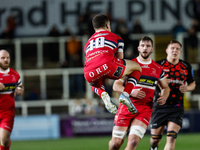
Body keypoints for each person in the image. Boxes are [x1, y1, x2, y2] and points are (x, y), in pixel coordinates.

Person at [109, 36, 170, 150]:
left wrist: (165, 96)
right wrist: (131, 92)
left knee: (132, 143)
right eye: (142, 46)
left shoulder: (157, 68)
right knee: (115, 144)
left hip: (144, 109)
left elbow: (165, 87)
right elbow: (116, 85)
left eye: (148, 46)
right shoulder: (129, 64)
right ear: (138, 48)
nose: (145, 48)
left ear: (152, 49)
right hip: (126, 107)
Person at [84, 14, 142, 114]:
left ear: (94, 28)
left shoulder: (87, 43)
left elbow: (93, 62)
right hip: (109, 65)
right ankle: (126, 95)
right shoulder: (116, 37)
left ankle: (103, 94)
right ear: (107, 25)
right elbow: (120, 59)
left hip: (88, 73)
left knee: (93, 83)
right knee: (137, 68)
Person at [149, 40, 196, 150]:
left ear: (180, 52)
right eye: (172, 48)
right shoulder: (157, 65)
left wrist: (187, 88)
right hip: (160, 106)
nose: (175, 50)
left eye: (177, 49)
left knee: (171, 137)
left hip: (177, 107)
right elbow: (148, 81)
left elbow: (193, 83)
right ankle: (153, 148)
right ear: (167, 50)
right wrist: (160, 81)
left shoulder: (186, 66)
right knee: (155, 140)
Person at [0, 49, 24, 150]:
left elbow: (21, 87)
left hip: (7, 113)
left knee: (4, 140)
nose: (6, 60)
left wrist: (20, 90)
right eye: (3, 58)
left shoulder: (15, 75)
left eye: (7, 58)